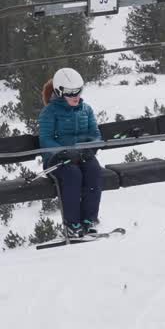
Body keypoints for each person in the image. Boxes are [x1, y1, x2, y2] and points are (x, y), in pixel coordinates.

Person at [39, 67, 104, 239]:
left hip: (83, 156)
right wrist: (64, 152)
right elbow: (45, 139)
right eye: (70, 93)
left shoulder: (86, 110)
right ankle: (72, 225)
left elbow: (95, 135)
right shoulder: (49, 112)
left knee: (94, 171)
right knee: (73, 175)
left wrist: (89, 149)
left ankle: (89, 221)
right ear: (60, 92)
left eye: (78, 91)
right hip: (57, 161)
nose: (75, 96)